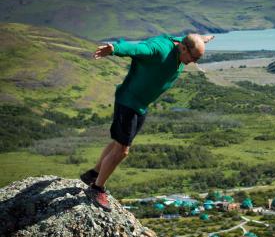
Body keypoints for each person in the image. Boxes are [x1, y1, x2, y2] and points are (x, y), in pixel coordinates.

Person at [80, 33, 214, 211]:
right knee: (122, 151)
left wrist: (204, 38)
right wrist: (114, 49)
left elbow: (194, 40)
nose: (194, 61)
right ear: (182, 47)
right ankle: (97, 189)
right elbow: (137, 48)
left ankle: (93, 173)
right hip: (129, 102)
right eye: (194, 57)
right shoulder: (159, 49)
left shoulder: (185, 45)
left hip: (140, 105)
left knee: (118, 143)